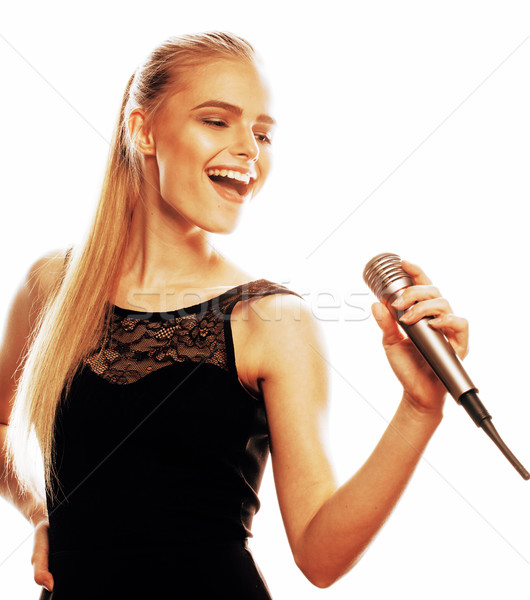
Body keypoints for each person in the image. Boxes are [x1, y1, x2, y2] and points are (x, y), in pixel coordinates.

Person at [0, 32, 468, 599]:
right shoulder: (52, 287)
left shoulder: (271, 319)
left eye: (263, 132)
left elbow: (320, 558)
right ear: (142, 129)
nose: (250, 148)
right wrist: (37, 512)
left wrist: (419, 409)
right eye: (217, 121)